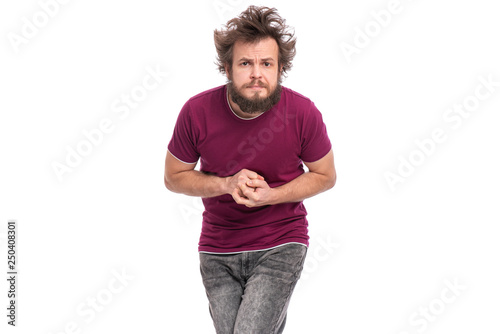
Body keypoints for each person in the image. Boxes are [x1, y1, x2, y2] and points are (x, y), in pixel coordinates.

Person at [164, 5, 336, 333]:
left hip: (281, 243)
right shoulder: (196, 112)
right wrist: (227, 184)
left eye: (266, 63)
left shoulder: (302, 113)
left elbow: (325, 175)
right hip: (217, 250)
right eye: (245, 63)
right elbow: (174, 176)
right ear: (227, 69)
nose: (257, 73)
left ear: (280, 68)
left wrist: (272, 195)